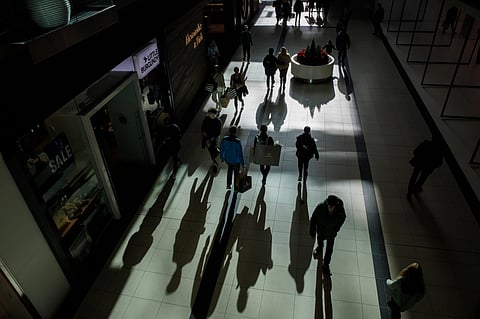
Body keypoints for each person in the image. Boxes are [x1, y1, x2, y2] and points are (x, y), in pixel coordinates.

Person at [309, 195, 346, 276]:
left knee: (329, 249)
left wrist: (337, 228)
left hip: (331, 233)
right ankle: (319, 248)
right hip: (321, 231)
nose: (330, 208)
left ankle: (326, 264)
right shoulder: (320, 207)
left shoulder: (340, 210)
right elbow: (313, 219)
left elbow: (343, 218)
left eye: (332, 207)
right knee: (320, 240)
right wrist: (312, 231)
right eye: (329, 206)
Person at [220, 125, 246, 190]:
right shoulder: (237, 141)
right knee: (236, 173)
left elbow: (222, 149)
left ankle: (228, 185)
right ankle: (236, 186)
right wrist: (243, 164)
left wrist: (222, 157)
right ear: (235, 132)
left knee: (230, 170)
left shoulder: (224, 139)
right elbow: (240, 154)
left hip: (228, 159)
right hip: (236, 161)